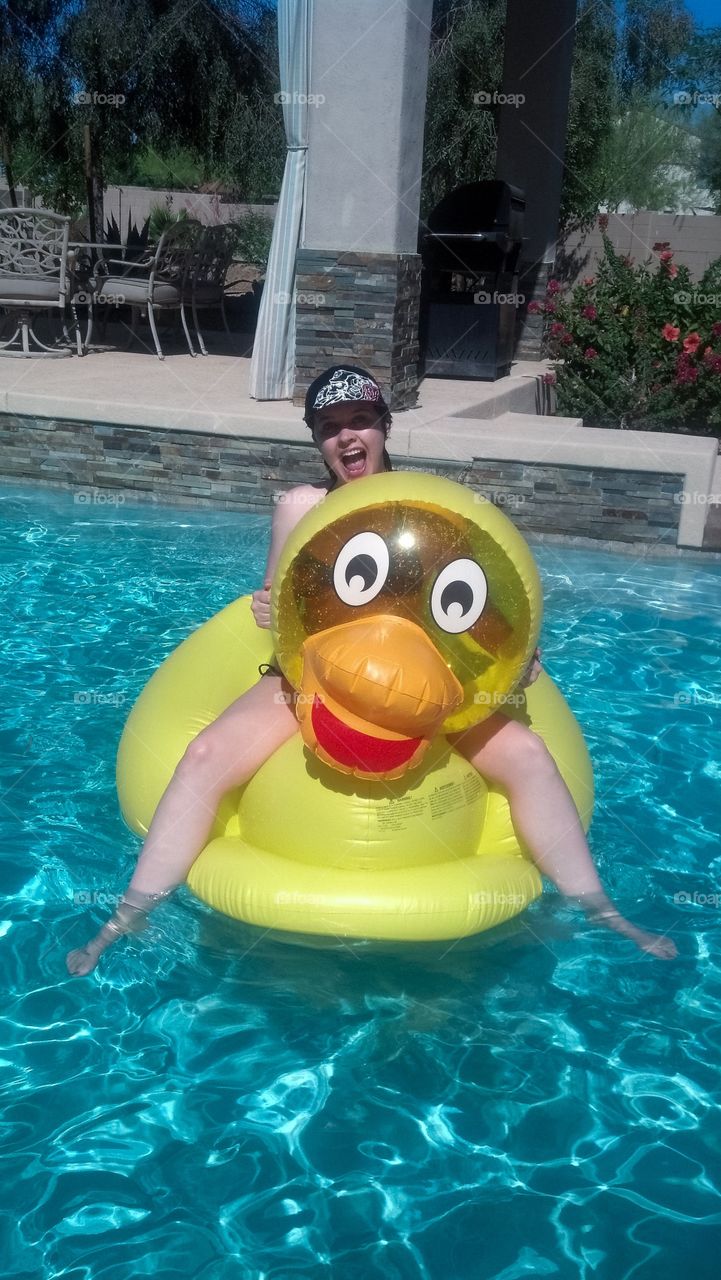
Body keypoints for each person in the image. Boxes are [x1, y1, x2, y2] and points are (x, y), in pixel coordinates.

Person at [66, 365, 677, 975]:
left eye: (360, 421)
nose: (347, 438)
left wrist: (515, 657)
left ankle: (599, 910)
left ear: (385, 427)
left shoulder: (426, 505)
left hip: (429, 691)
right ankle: (131, 913)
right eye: (330, 428)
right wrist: (264, 603)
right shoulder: (300, 507)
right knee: (204, 756)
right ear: (316, 441)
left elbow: (476, 604)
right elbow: (285, 605)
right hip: (316, 682)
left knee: (530, 759)